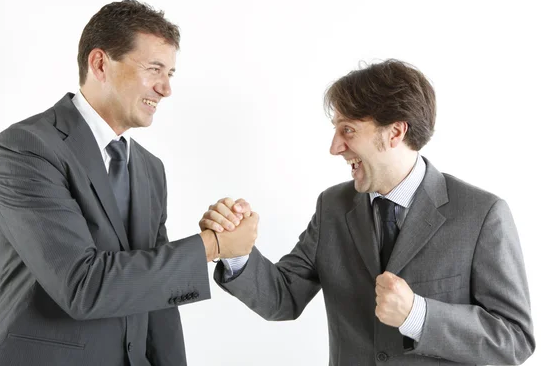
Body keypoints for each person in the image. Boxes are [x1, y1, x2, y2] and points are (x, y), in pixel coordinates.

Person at [0, 0, 258, 366]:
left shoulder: (149, 168)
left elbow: (158, 301)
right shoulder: (25, 149)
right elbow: (82, 285)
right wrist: (212, 245)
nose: (165, 88)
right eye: (154, 69)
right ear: (99, 64)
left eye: (170, 73)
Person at [200, 59, 535, 365]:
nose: (334, 148)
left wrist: (418, 315)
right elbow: (283, 297)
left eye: (348, 130)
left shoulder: (482, 214)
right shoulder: (332, 206)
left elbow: (514, 339)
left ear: (395, 132)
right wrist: (237, 253)